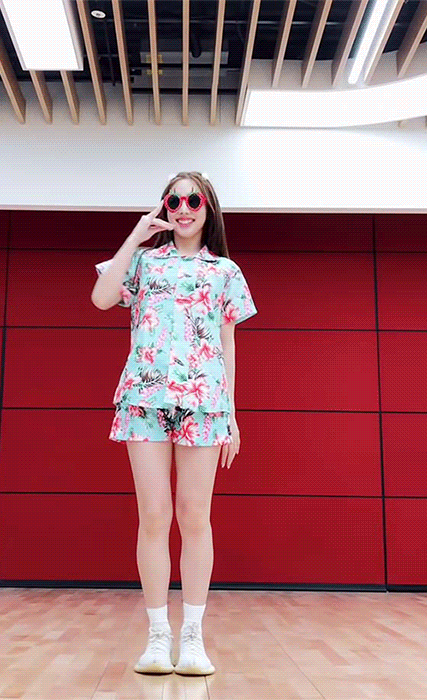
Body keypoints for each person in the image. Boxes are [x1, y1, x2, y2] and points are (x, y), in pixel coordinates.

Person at [91, 171, 257, 675]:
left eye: (193, 200)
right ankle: (157, 637)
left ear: (208, 209)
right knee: (154, 516)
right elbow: (102, 297)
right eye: (174, 200)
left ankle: (193, 638)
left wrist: (230, 414)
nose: (183, 208)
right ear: (164, 207)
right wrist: (136, 234)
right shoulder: (144, 262)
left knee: (194, 516)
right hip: (144, 399)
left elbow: (227, 343)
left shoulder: (225, 271)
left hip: (204, 404)